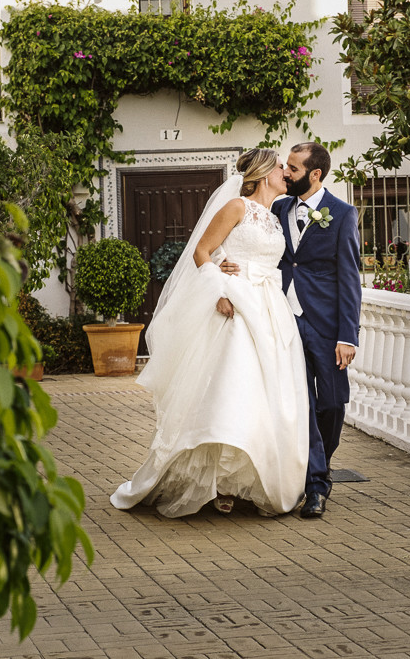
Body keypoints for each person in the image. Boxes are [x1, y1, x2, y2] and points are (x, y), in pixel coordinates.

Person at [110, 149, 308, 518]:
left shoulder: (276, 217)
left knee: (262, 397)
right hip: (235, 306)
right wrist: (219, 287)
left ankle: (245, 481)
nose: (287, 172)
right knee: (227, 392)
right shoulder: (236, 207)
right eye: (281, 167)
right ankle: (215, 482)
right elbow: (202, 250)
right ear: (264, 174)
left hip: (270, 309)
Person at [273, 142, 362, 519]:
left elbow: (350, 279)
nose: (285, 173)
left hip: (326, 325)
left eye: (292, 168)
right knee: (301, 404)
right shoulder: (278, 208)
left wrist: (348, 336)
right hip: (282, 318)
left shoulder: (342, 214)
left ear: (315, 174)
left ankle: (319, 464)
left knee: (330, 402)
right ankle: (316, 484)